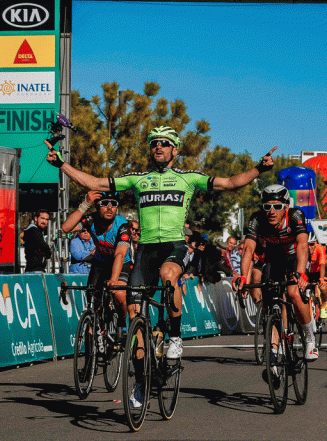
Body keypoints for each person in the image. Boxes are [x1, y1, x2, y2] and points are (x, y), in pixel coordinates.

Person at [48, 126, 275, 408]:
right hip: (145, 250)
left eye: (165, 144)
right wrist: (61, 164)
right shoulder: (139, 179)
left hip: (173, 245)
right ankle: (143, 382)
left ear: (175, 150)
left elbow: (229, 182)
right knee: (134, 316)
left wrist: (258, 169)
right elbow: (94, 181)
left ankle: (176, 338)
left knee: (169, 276)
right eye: (154, 143)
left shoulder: (188, 179)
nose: (159, 147)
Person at [234, 184, 319, 364]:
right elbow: (248, 248)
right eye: (267, 206)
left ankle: (310, 337)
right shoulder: (257, 219)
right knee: (271, 297)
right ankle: (278, 339)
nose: (272, 211)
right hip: (275, 257)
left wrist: (301, 273)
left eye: (277, 206)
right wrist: (243, 277)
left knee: (294, 293)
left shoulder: (296, 215)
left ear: (286, 207)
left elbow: (303, 245)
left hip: (295, 256)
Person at [61, 190, 132, 344]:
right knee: (93, 302)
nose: (109, 207)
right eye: (104, 203)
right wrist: (85, 204)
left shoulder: (123, 226)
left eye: (113, 204)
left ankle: (122, 323)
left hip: (120, 262)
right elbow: (66, 228)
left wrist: (113, 280)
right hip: (100, 263)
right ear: (97, 207)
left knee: (119, 294)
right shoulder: (91, 220)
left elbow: (119, 255)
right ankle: (95, 334)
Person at [307, 231, 327, 319]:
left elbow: (322, 264)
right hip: (308, 272)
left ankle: (323, 307)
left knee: (323, 288)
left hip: (319, 272)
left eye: (312, 244)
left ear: (316, 243)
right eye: (307, 244)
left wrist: (321, 278)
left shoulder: (320, 248)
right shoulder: (303, 249)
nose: (310, 247)